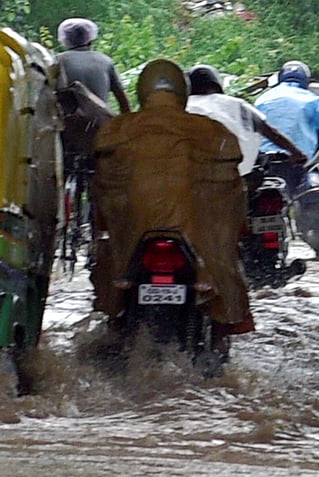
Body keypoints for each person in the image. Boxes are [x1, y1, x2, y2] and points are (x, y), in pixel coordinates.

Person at [90, 58, 253, 359]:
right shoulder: (212, 132)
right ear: (182, 91)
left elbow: (104, 188)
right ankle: (219, 337)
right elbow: (230, 190)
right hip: (195, 247)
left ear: (141, 90)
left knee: (110, 263)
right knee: (225, 263)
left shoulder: (116, 130)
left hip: (134, 244)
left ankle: (114, 320)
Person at [254, 60, 319, 193]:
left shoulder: (262, 100)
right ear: (306, 81)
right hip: (295, 162)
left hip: (264, 162)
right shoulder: (312, 101)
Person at [185, 64, 305, 177]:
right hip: (239, 176)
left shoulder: (183, 107)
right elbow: (271, 132)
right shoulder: (238, 105)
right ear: (217, 83)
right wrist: (296, 153)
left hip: (192, 178)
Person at [56, 18, 131, 113]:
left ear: (64, 39)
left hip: (68, 124)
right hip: (103, 123)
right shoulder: (105, 61)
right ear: (91, 39)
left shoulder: (57, 61)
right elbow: (123, 101)